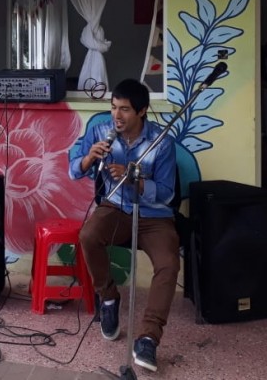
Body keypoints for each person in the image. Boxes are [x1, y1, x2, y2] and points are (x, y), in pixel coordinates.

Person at [68, 79, 179, 373]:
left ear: (142, 111)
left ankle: (148, 338)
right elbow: (72, 168)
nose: (116, 116)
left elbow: (167, 192)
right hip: (116, 207)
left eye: (125, 110)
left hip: (154, 215)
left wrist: (135, 180)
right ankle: (108, 299)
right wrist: (89, 157)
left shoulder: (162, 141)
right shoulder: (101, 131)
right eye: (114, 107)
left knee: (168, 263)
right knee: (89, 235)